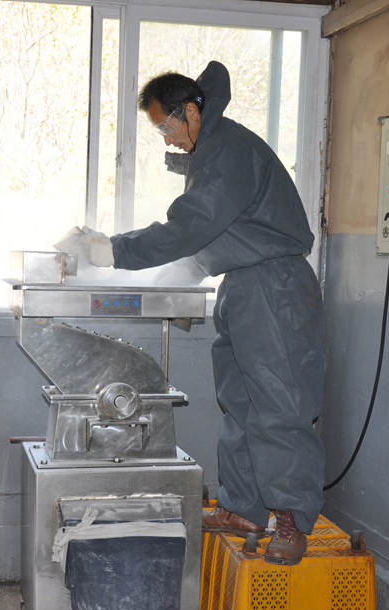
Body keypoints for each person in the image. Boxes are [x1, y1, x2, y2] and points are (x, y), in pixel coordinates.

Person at [73, 61, 325, 566]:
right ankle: (244, 508)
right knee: (240, 401)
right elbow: (216, 234)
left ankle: (291, 520)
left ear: (191, 111)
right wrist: (172, 277)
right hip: (243, 283)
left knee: (279, 406)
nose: (167, 139)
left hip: (273, 285)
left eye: (167, 126)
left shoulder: (226, 148)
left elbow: (193, 224)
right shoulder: (211, 150)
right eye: (159, 131)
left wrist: (114, 251)